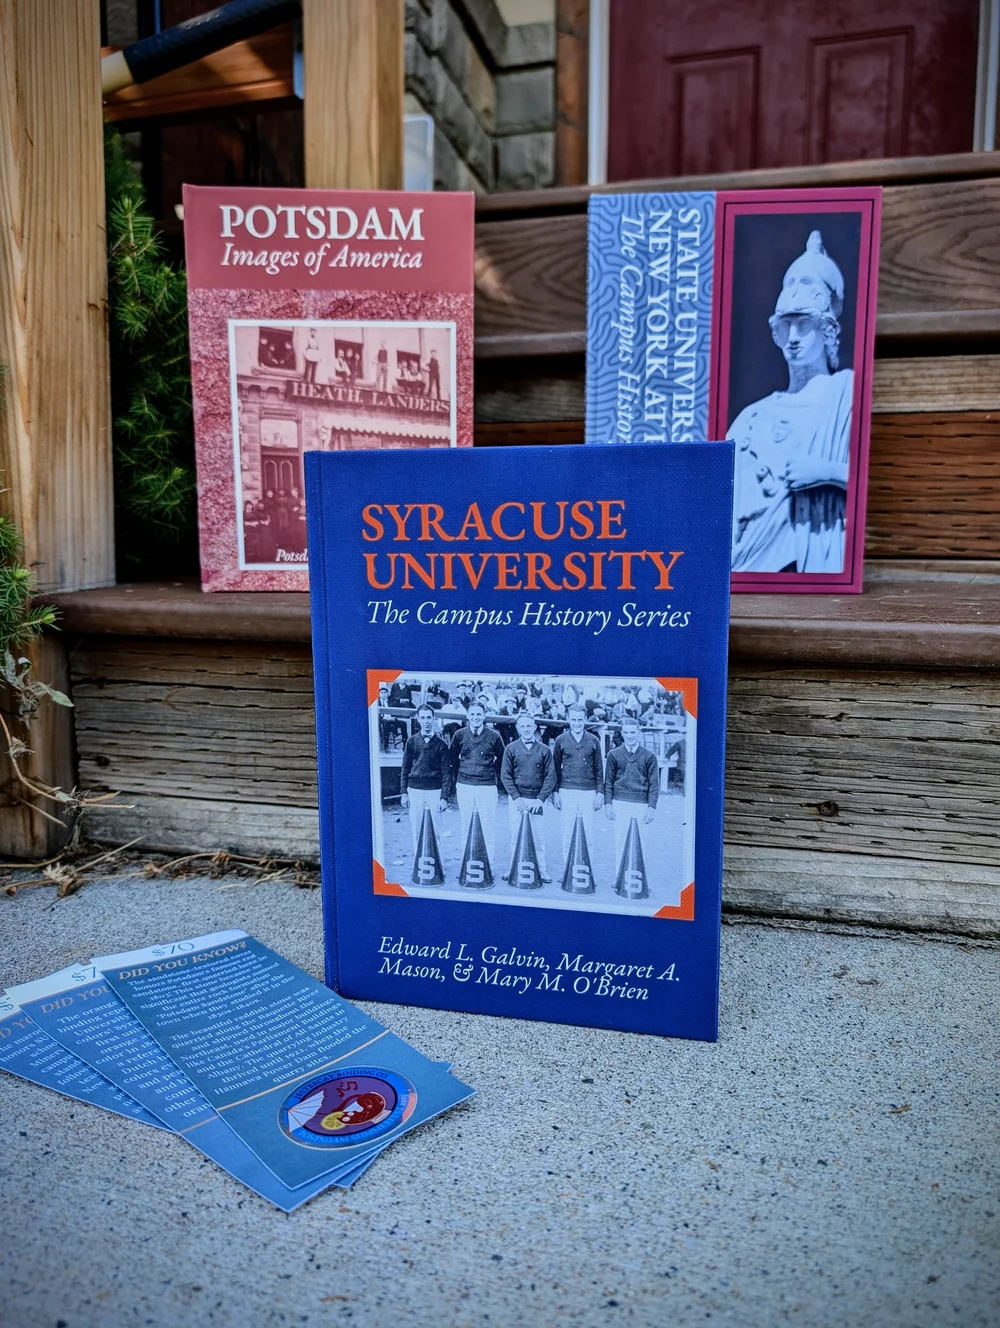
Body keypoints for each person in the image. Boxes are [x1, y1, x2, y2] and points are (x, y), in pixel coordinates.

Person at [729, 230, 853, 574]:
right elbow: (724, 512)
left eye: (804, 325)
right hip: (750, 571)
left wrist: (826, 473)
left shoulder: (846, 395)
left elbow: (875, 483)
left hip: (817, 564)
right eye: (786, 327)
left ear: (826, 330)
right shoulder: (751, 418)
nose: (793, 338)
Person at [448, 701, 505, 870]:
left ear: (484, 716)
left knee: (487, 825)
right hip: (465, 785)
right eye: (472, 714)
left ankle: (488, 865)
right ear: (467, 716)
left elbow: (502, 760)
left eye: (479, 714)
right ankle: (466, 863)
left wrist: (490, 773)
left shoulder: (494, 736)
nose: (475, 717)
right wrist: (461, 775)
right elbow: (452, 759)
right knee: (466, 824)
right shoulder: (459, 735)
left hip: (486, 786)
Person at [501, 713, 556, 882]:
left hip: (537, 800)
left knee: (538, 837)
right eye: (523, 726)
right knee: (516, 835)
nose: (526, 729)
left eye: (529, 726)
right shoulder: (510, 748)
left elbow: (550, 777)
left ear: (534, 727)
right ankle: (513, 867)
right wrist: (516, 798)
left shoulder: (545, 750)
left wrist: (540, 799)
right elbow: (505, 775)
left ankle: (541, 869)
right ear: (518, 728)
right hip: (517, 800)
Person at [604, 716, 659, 869]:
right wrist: (608, 804)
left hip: (641, 804)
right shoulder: (613, 754)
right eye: (626, 732)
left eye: (633, 732)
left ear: (639, 732)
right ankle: (619, 877)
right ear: (622, 733)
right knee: (620, 841)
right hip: (620, 803)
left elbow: (654, 784)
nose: (630, 736)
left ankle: (638, 877)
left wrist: (651, 807)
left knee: (640, 843)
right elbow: (608, 781)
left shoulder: (649, 756)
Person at [552, 706, 604, 857]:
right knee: (568, 832)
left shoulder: (594, 740)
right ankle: (567, 867)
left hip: (588, 791)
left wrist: (600, 792)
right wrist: (555, 792)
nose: (576, 723)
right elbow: (555, 769)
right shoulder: (560, 740)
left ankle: (588, 867)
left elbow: (599, 769)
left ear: (585, 719)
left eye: (580, 720)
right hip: (567, 790)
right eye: (573, 719)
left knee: (588, 833)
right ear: (568, 719)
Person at [399, 705, 451, 854]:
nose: (426, 721)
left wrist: (444, 798)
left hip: (435, 791)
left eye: (429, 717)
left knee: (436, 829)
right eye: (423, 718)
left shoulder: (441, 744)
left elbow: (446, 773)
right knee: (417, 829)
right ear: (418, 719)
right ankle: (419, 861)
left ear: (434, 719)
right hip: (415, 791)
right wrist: (404, 793)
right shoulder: (412, 741)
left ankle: (437, 862)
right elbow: (405, 768)